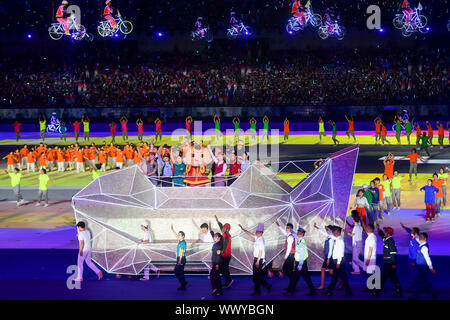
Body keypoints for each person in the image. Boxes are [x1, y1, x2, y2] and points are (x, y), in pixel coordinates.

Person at [239, 223, 272, 296]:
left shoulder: (261, 240)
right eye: (256, 231)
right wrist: (243, 229)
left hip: (258, 260)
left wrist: (257, 261)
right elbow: (250, 234)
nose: (257, 232)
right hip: (257, 259)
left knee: (256, 277)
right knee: (257, 276)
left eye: (258, 231)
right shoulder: (257, 238)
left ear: (261, 233)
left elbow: (261, 251)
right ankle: (266, 286)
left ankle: (258, 291)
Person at [285, 227, 316, 296]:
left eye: (300, 233)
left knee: (295, 278)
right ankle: (313, 291)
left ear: (303, 234)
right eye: (298, 232)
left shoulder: (301, 243)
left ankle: (290, 292)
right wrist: (291, 231)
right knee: (305, 278)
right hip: (301, 263)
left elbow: (302, 254)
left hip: (301, 263)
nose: (298, 234)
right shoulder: (299, 239)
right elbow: (295, 235)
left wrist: (300, 265)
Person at [323, 226, 352, 296]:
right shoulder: (336, 238)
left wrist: (338, 262)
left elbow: (341, 252)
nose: (333, 232)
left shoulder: (340, 241)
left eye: (334, 231)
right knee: (338, 277)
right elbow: (328, 235)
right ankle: (330, 291)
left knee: (337, 277)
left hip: (339, 261)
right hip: (336, 260)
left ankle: (329, 291)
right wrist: (322, 229)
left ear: (338, 232)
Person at [374, 225, 402, 297]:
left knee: (384, 278)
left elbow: (393, 252)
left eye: (385, 232)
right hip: (387, 263)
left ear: (389, 233)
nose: (385, 233)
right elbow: (382, 236)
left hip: (389, 263)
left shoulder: (390, 241)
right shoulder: (387, 239)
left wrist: (393, 263)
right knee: (393, 278)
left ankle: (377, 292)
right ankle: (398, 291)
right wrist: (378, 229)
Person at [313, 223, 340, 290]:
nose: (326, 231)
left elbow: (330, 250)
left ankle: (341, 281)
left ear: (331, 230)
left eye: (328, 230)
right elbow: (322, 231)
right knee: (328, 271)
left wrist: (328, 259)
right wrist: (317, 227)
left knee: (328, 271)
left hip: (329, 257)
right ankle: (341, 281)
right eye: (326, 230)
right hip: (328, 256)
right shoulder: (329, 236)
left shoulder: (331, 238)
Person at [412, 232, 438, 300]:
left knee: (416, 281)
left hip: (422, 267)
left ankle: (416, 296)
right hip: (420, 266)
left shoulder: (424, 247)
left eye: (421, 237)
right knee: (424, 280)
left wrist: (431, 267)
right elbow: (417, 238)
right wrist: (415, 262)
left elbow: (427, 258)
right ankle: (433, 292)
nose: (420, 238)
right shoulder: (421, 245)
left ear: (425, 239)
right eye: (420, 237)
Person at [275, 220, 298, 288]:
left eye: (288, 228)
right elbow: (284, 232)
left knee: (287, 270)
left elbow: (289, 248)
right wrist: (279, 225)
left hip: (290, 255)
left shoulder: (291, 236)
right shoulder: (288, 235)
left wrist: (286, 256)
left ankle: (292, 283)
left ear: (291, 229)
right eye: (286, 227)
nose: (286, 229)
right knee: (287, 270)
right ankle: (291, 284)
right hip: (290, 255)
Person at [399, 222, 420, 291]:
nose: (411, 231)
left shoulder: (417, 239)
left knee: (414, 274)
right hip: (412, 258)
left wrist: (415, 260)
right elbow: (409, 232)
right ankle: (413, 287)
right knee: (414, 274)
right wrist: (404, 227)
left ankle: (413, 288)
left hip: (414, 259)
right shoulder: (414, 237)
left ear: (415, 232)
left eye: (413, 231)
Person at [215, 215, 233, 288]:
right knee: (224, 269)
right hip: (226, 255)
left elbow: (225, 245)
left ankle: (229, 281)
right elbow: (221, 226)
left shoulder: (226, 235)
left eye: (224, 228)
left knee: (223, 269)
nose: (222, 228)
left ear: (227, 229)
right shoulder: (226, 234)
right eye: (222, 227)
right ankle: (228, 280)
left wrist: (221, 252)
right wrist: (217, 221)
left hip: (225, 255)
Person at [171, 224, 187, 290]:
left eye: (179, 235)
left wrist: (180, 260)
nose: (178, 235)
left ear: (183, 236)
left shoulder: (182, 243)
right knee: (179, 271)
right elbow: (176, 236)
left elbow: (182, 252)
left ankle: (183, 284)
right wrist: (172, 230)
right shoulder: (180, 241)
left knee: (177, 271)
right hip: (180, 258)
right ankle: (184, 282)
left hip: (181, 258)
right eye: (178, 234)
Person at [362, 223, 377, 294]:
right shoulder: (370, 236)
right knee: (369, 273)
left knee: (370, 274)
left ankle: (372, 288)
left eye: (367, 227)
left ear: (371, 229)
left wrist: (368, 259)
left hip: (370, 259)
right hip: (369, 258)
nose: (366, 229)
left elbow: (371, 249)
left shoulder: (372, 238)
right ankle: (370, 287)